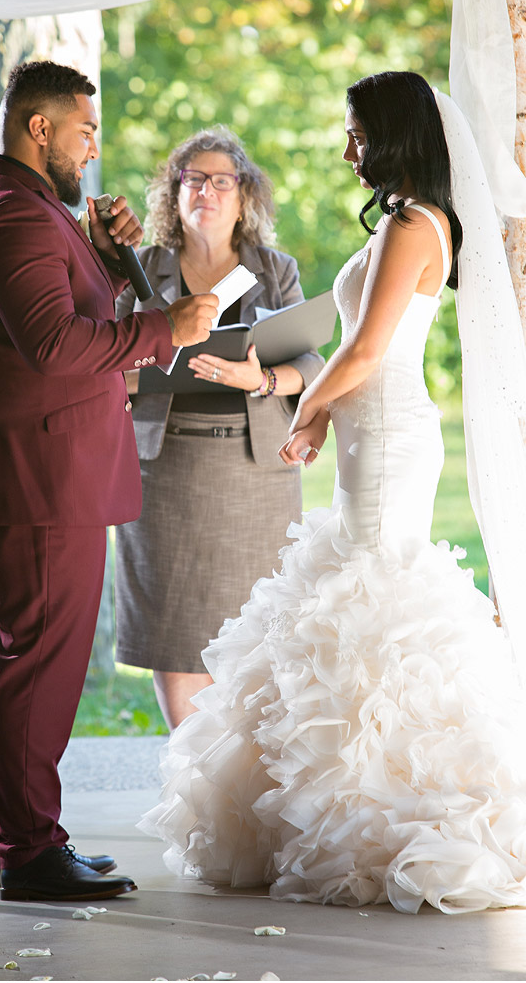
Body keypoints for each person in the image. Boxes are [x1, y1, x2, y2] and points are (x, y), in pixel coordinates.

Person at [139, 72, 526, 913]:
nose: (346, 150)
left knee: (375, 604)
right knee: (353, 601)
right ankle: (343, 804)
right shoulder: (404, 221)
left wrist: (303, 412)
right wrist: (317, 418)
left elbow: (362, 349)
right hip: (370, 434)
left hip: (386, 438)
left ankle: (388, 811)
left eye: (355, 134)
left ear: (392, 136)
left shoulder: (413, 225)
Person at [0, 60, 217, 903]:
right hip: (37, 473)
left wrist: (97, 250)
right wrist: (163, 324)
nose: (93, 151)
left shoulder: (17, 208)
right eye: (84, 131)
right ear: (38, 128)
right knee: (36, 666)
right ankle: (27, 851)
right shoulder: (13, 220)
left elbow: (52, 311)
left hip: (23, 467)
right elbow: (55, 347)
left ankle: (18, 840)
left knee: (10, 658)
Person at [114, 128, 326, 729]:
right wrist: (141, 370)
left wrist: (258, 380)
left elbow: (311, 363)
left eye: (221, 180)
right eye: (193, 179)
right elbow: (106, 357)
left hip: (255, 473)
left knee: (258, 628)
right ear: (173, 193)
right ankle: (188, 773)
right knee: (174, 628)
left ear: (244, 196)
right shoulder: (142, 270)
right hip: (165, 471)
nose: (206, 190)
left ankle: (238, 775)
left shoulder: (274, 270)